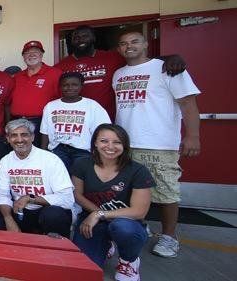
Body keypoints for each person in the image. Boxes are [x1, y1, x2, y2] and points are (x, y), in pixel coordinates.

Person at [113, 31, 201, 258]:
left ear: (145, 44)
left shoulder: (167, 69)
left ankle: (169, 237)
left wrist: (193, 136)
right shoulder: (119, 74)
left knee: (165, 192)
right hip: (124, 144)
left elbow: (188, 103)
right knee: (127, 191)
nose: (128, 46)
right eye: (123, 44)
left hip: (158, 143)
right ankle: (138, 226)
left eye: (134, 42)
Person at [71, 124, 154, 281]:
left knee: (123, 228)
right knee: (85, 270)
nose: (110, 146)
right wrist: (96, 214)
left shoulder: (137, 170)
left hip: (125, 222)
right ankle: (107, 244)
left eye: (117, 142)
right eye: (104, 141)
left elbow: (139, 211)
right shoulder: (82, 164)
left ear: (125, 145)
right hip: (92, 223)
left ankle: (128, 260)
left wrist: (100, 214)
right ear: (95, 143)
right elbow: (77, 195)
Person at [55, 25, 187, 120]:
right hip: (76, 120)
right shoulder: (61, 65)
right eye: (76, 37)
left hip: (109, 119)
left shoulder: (112, 57)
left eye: (85, 36)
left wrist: (170, 58)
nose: (80, 39)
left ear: (93, 38)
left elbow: (139, 60)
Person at [0, 119, 74, 238]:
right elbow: (2, 195)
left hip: (47, 209)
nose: (19, 140)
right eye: (14, 135)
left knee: (53, 216)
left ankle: (56, 253)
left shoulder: (51, 159)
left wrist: (31, 199)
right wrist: (8, 219)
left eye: (24, 135)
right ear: (8, 139)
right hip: (20, 210)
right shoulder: (5, 162)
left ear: (32, 137)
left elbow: (67, 199)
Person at [40, 72, 110, 169]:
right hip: (58, 149)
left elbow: (103, 131)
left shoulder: (92, 106)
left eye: (74, 85)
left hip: (83, 151)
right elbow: (45, 132)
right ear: (60, 87)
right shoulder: (50, 106)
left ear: (81, 86)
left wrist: (98, 153)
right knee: (59, 178)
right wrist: (43, 153)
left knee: (80, 179)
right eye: (65, 85)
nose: (70, 88)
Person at [11, 41, 62, 148]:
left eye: (35, 52)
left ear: (42, 54)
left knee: (40, 155)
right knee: (20, 155)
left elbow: (62, 100)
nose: (31, 55)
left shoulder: (55, 73)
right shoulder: (17, 76)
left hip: (41, 123)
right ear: (23, 57)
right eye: (27, 53)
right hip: (17, 122)